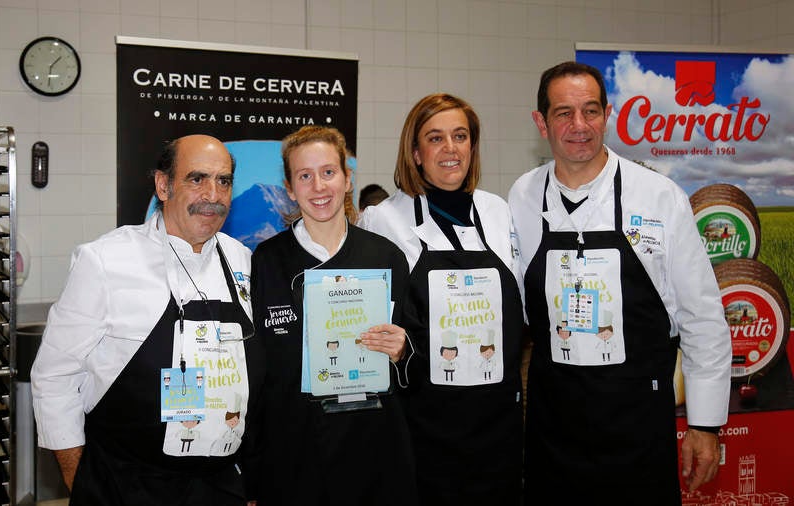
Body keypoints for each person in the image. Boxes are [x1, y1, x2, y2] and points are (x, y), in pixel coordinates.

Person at [508, 61, 732, 505]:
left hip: (637, 423)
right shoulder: (522, 196)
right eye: (563, 113)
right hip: (555, 426)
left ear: (608, 115)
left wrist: (705, 425)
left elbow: (701, 316)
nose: (579, 126)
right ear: (540, 122)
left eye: (591, 111)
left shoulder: (657, 196)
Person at [30, 134, 261, 505]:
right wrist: (80, 479)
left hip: (218, 485)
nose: (213, 195)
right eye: (197, 178)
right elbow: (54, 376)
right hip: (125, 485)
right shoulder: (106, 261)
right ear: (163, 185)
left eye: (224, 181)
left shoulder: (242, 260)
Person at [359, 93, 524, 505]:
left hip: (497, 426)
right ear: (415, 153)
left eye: (460, 136)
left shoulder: (498, 212)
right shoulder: (385, 220)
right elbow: (372, 323)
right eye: (435, 138)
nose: (450, 149)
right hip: (424, 426)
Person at [244, 125, 418, 505]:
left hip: (373, 448)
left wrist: (403, 350)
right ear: (289, 188)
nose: (319, 187)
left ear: (347, 178)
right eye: (304, 176)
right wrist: (252, 472)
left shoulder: (385, 257)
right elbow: (257, 374)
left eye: (328, 172)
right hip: (293, 456)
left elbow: (413, 363)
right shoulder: (268, 261)